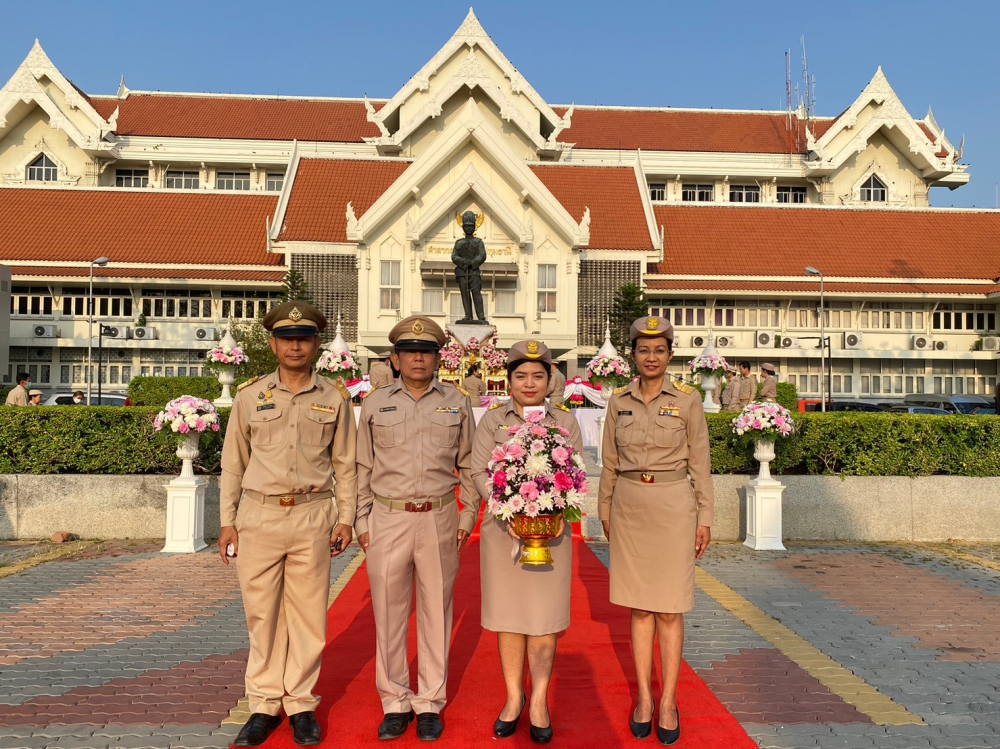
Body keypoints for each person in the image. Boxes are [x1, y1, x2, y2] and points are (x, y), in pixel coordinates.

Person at [218, 301, 357, 748]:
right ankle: (262, 704)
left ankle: (299, 704)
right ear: (274, 344)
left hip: (313, 513)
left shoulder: (333, 398)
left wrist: (347, 517)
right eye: (286, 338)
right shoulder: (249, 396)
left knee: (309, 614)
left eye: (303, 338)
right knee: (262, 614)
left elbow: (346, 464)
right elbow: (233, 465)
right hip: (258, 515)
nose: (294, 345)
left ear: (317, 345)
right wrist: (227, 522)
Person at [355, 315, 477, 742]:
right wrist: (360, 519)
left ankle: (429, 701)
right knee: (388, 613)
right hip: (387, 518)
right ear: (395, 358)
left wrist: (467, 515)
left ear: (437, 358)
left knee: (435, 612)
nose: (418, 358)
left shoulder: (457, 402)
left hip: (440, 517)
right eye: (409, 351)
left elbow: (470, 464)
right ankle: (394, 700)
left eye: (425, 351)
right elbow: (361, 466)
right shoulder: (374, 403)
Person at [598, 316, 714, 747]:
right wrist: (604, 508)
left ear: (670, 354)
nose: (651, 357)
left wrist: (705, 517)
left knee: (669, 608)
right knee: (640, 608)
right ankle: (644, 698)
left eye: (659, 350)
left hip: (671, 508)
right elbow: (609, 461)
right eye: (643, 350)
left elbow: (700, 464)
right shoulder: (618, 402)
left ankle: (669, 700)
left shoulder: (688, 401)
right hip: (629, 506)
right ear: (632, 354)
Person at [470, 340, 584, 745]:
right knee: (508, 617)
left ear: (550, 378)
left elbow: (576, 473)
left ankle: (538, 700)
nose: (530, 383)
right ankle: (513, 698)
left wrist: (550, 512)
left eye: (538, 375)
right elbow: (477, 470)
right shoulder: (492, 420)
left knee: (543, 619)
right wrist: (506, 506)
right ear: (509, 380)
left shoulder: (566, 422)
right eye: (521, 376)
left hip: (551, 534)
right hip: (504, 532)